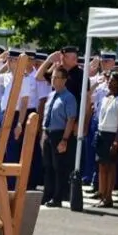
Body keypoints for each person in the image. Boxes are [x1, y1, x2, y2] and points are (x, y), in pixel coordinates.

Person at [39, 66, 78, 207]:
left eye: (57, 78)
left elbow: (71, 119)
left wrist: (65, 139)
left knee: (58, 167)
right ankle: (47, 194)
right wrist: (43, 135)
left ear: (64, 80)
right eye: (53, 77)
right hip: (48, 133)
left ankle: (58, 197)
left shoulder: (69, 97)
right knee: (47, 166)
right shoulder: (51, 95)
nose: (53, 80)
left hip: (59, 134)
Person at [95, 72, 118, 208]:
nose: (109, 83)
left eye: (113, 81)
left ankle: (108, 197)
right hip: (101, 133)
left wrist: (116, 140)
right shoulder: (106, 98)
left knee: (111, 166)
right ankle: (102, 194)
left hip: (112, 134)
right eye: (109, 80)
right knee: (102, 166)